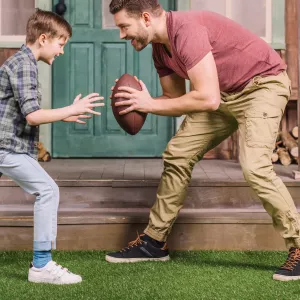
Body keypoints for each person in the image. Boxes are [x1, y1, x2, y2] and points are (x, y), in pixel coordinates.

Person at [105, 0, 300, 281]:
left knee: (255, 167)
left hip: (262, 85)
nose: (122, 35)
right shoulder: (161, 50)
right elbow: (174, 99)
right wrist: (136, 101)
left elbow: (207, 98)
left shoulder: (186, 31)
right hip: (223, 94)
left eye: (124, 26)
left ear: (146, 18)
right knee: (178, 153)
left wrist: (149, 104)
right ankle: (154, 242)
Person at [0, 9, 104, 284]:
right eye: (61, 44)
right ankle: (42, 265)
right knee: (47, 190)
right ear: (43, 38)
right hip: (5, 148)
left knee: (45, 189)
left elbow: (26, 110)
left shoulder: (23, 62)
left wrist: (64, 114)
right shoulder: (24, 64)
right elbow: (32, 115)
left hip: (8, 146)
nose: (61, 51)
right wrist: (70, 108)